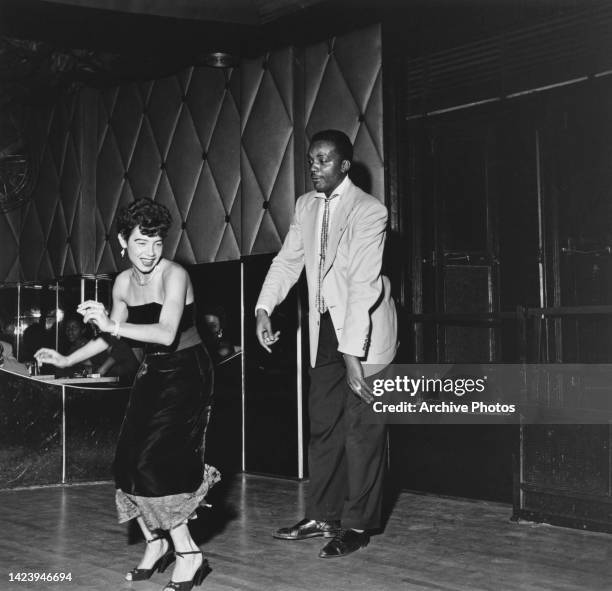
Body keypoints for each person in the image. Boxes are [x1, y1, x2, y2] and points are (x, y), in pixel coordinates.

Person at [35, 198, 219, 591]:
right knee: (126, 464)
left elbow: (166, 333)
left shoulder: (175, 275)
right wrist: (67, 359)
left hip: (188, 372)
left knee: (155, 462)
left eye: (156, 243)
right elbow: (108, 336)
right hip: (153, 372)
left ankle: (189, 555)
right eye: (140, 243)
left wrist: (112, 326)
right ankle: (155, 545)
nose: (150, 253)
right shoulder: (121, 283)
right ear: (123, 240)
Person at [255, 129, 397, 558]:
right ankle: (323, 514)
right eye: (311, 160)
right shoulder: (305, 206)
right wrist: (264, 307)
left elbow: (363, 284)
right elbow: (289, 259)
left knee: (363, 433)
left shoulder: (370, 211)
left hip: (365, 331)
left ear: (344, 165)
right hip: (326, 329)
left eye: (322, 160)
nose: (313, 167)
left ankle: (356, 525)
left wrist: (353, 353)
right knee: (324, 426)